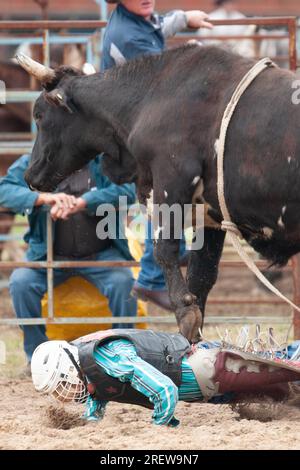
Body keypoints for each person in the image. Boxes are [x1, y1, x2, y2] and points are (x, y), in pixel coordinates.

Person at [101, 0, 213, 311]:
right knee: (167, 192)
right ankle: (150, 279)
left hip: (146, 121)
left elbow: (159, 24)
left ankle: (172, 252)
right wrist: (190, 56)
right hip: (134, 130)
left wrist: (184, 18)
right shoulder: (127, 37)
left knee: (172, 193)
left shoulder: (137, 21)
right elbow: (164, 78)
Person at [0, 154, 137, 364]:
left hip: (102, 254)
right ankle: (37, 356)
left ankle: (123, 352)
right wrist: (44, 198)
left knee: (124, 282)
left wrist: (85, 201)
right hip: (46, 256)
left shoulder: (104, 162)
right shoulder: (34, 161)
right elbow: (4, 190)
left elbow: (127, 191)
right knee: (21, 282)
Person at [31, 327, 300, 426]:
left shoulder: (109, 356)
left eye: (60, 386)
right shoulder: (87, 362)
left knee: (286, 363)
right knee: (286, 392)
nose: (61, 396)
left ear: (69, 371)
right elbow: (100, 389)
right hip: (208, 389)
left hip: (208, 369)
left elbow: (165, 390)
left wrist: (162, 424)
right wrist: (90, 420)